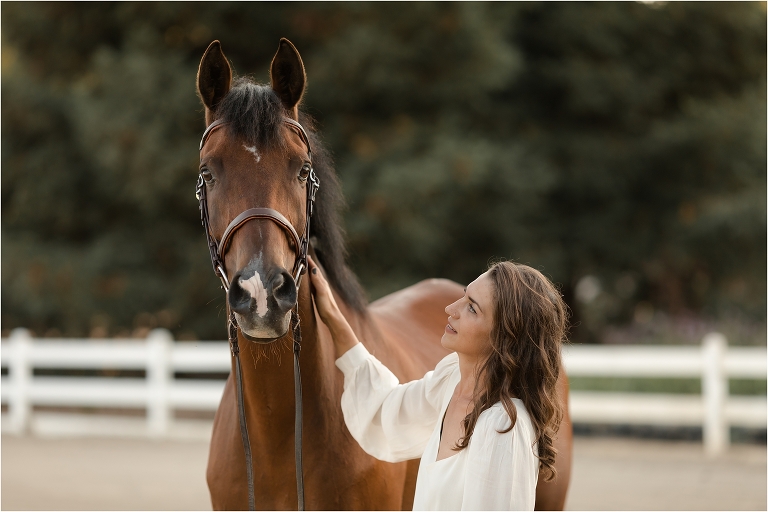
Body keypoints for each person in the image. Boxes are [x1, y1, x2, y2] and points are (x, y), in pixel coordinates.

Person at [308, 256, 568, 510]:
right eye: (464, 296)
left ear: (504, 338)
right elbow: (388, 409)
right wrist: (333, 316)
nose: (450, 309)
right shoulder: (451, 379)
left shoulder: (503, 428)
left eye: (471, 308)